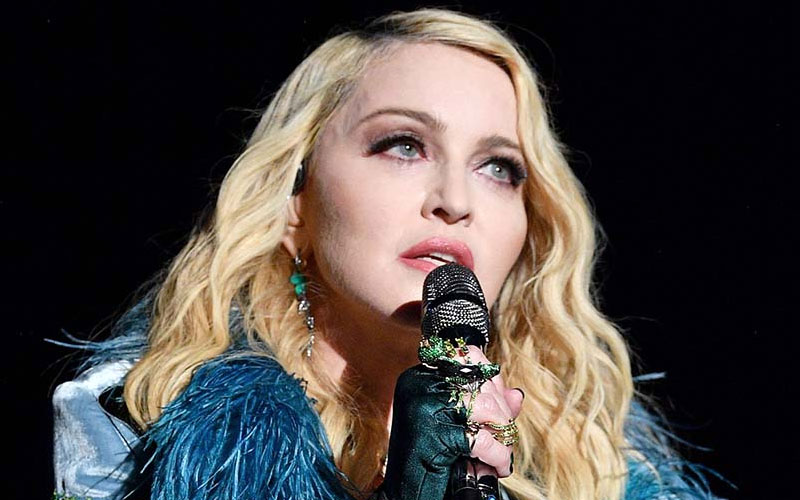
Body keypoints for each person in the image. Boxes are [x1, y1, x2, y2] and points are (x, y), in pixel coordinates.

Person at [52, 8, 725, 500]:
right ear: (294, 202)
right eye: (403, 145)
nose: (455, 199)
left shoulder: (597, 464)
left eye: (498, 168)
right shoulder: (131, 421)